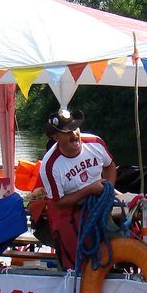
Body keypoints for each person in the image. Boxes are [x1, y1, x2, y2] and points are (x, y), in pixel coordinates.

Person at [38, 108, 117, 269]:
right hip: (69, 211)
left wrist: (108, 189)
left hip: (100, 201)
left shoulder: (95, 143)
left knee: (124, 229)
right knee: (75, 254)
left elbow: (110, 167)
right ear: (55, 137)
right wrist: (89, 190)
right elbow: (59, 202)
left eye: (75, 128)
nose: (73, 134)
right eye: (67, 131)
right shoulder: (50, 166)